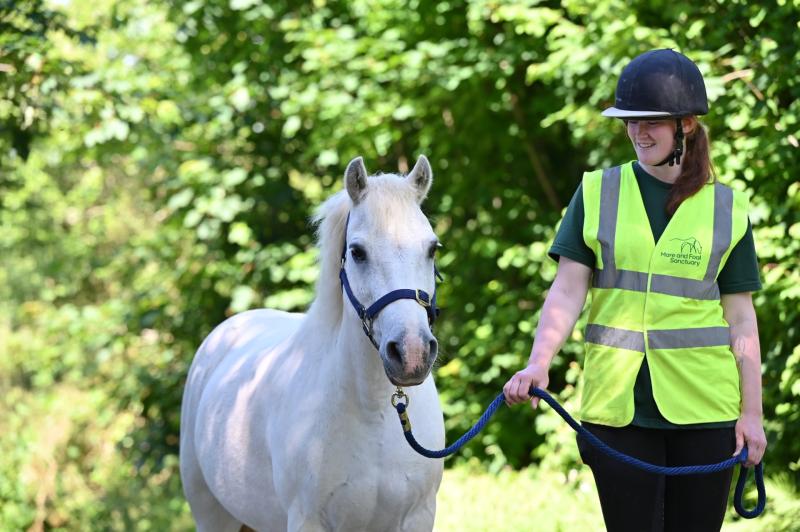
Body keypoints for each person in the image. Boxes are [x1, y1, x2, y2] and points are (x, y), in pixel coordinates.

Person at [503, 49, 767, 531]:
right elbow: (566, 292)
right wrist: (539, 361)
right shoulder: (597, 191)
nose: (638, 132)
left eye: (652, 122)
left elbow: (742, 318)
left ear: (685, 125)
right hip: (619, 411)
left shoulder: (727, 208)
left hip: (706, 412)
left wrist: (752, 413)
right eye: (629, 121)